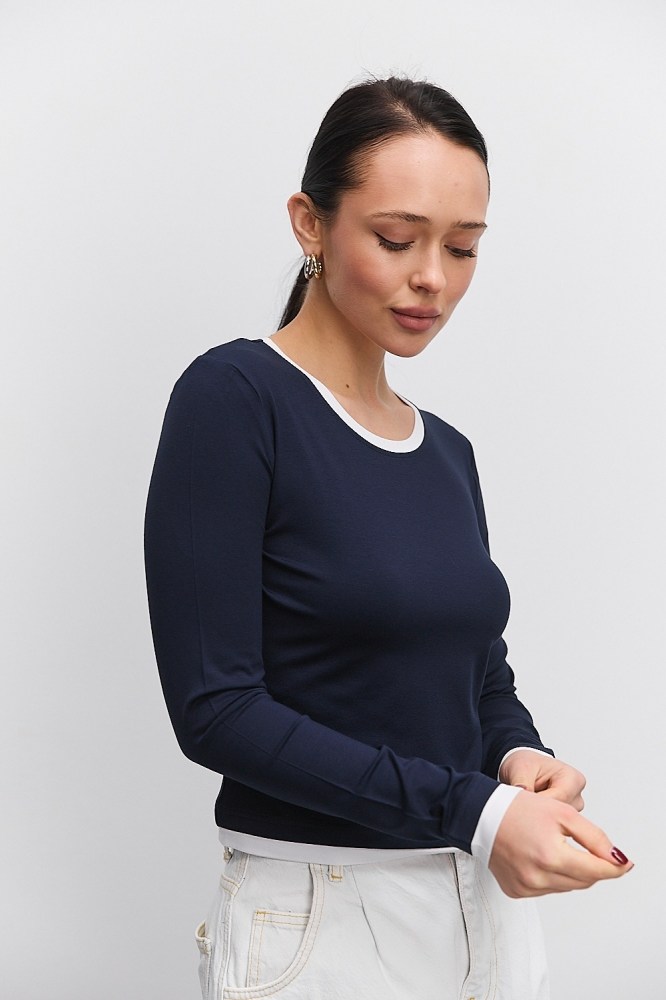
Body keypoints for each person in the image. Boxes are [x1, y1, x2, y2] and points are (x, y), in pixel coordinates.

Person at [144, 76, 633, 1000]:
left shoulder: (446, 450)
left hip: (479, 905)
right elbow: (216, 708)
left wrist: (516, 760)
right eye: (397, 239)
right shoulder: (235, 401)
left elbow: (477, 672)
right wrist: (476, 809)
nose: (433, 278)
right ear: (310, 224)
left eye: (463, 247)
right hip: (321, 917)